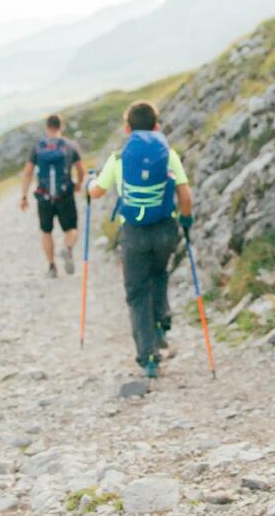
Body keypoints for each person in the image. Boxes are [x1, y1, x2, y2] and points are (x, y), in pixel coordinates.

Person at [88, 101, 193, 378]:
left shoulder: (120, 158)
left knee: (136, 292)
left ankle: (148, 357)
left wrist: (89, 182)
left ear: (127, 129)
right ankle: (162, 321)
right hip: (164, 228)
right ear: (157, 126)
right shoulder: (168, 155)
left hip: (133, 232)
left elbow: (96, 193)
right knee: (159, 274)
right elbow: (185, 196)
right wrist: (186, 220)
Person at [20, 114, 86, 278]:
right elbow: (80, 169)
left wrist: (24, 196)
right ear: (61, 127)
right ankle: (67, 248)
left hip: (44, 197)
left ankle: (51, 267)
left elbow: (28, 173)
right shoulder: (70, 146)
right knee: (71, 229)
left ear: (47, 127)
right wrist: (78, 184)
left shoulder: (38, 147)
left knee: (46, 232)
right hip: (65, 195)